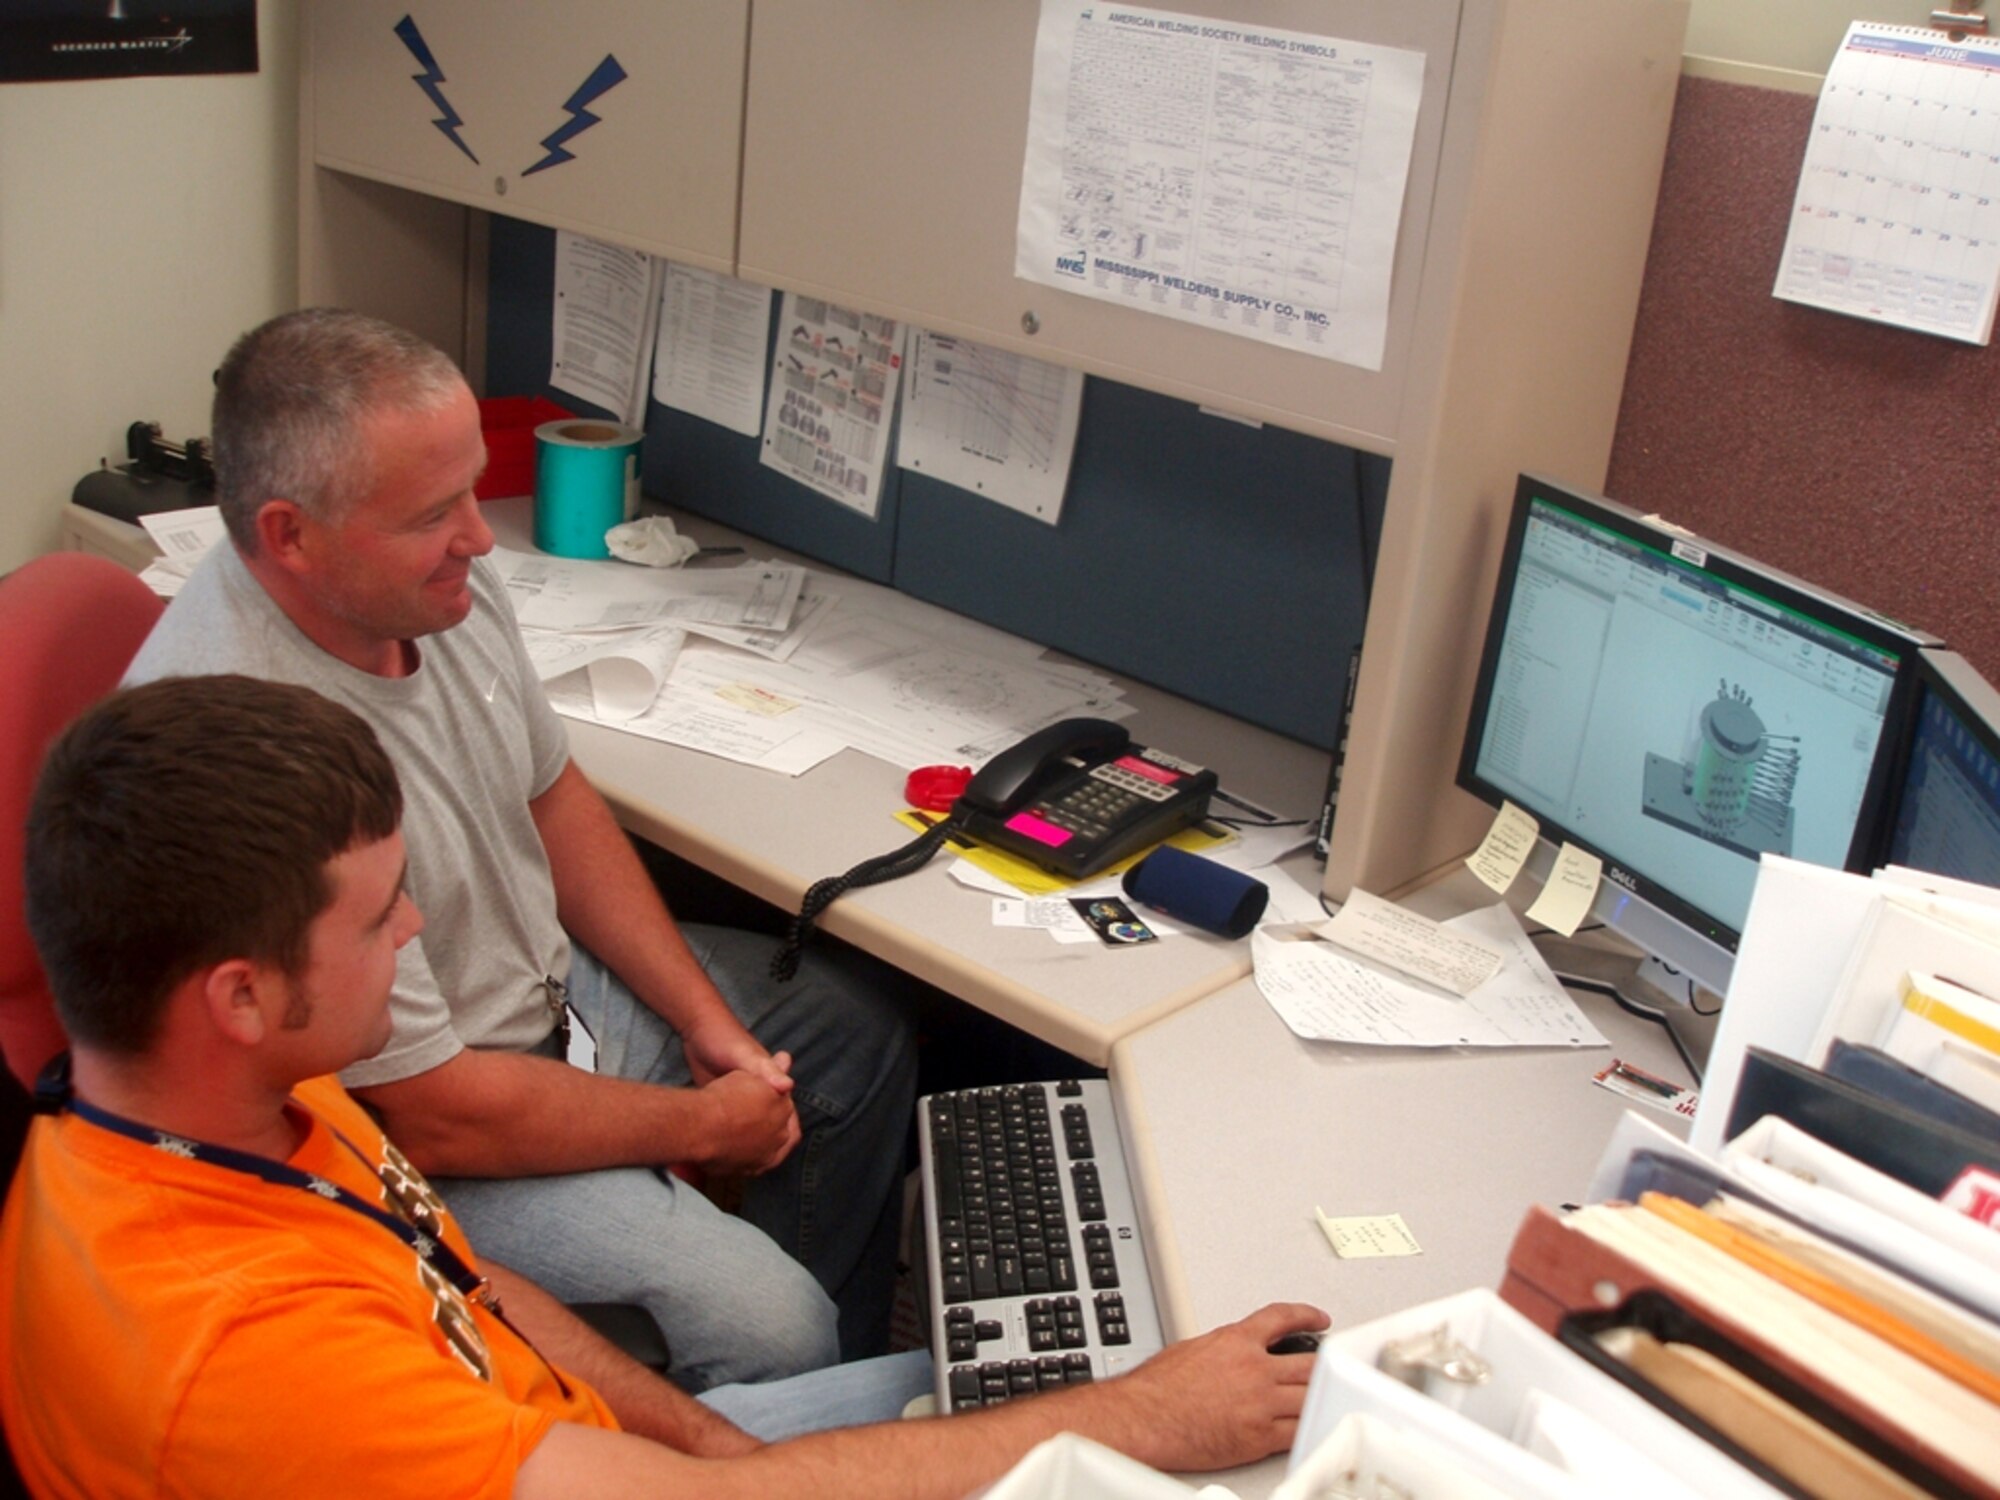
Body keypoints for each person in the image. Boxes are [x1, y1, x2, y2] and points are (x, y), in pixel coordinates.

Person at [1, 675, 1327, 1498]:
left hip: (592, 1459)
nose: (414, 936)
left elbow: (465, 1287)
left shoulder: (244, 1102)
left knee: (982, 1384)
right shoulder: (244, 1360)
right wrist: (1143, 1421)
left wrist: (713, 1447)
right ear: (235, 994)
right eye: (379, 917)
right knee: (1117, 1438)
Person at [124, 308, 917, 1388]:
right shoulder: (252, 758)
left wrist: (703, 1025)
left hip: (547, 1002)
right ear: (289, 534)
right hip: (424, 1132)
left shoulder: (425, 573)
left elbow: (550, 793)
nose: (481, 539)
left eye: (470, 491)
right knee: (765, 1321)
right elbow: (431, 1111)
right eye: (433, 512)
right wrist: (696, 1122)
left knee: (847, 1036)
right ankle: (736, 1407)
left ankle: (822, 1401)